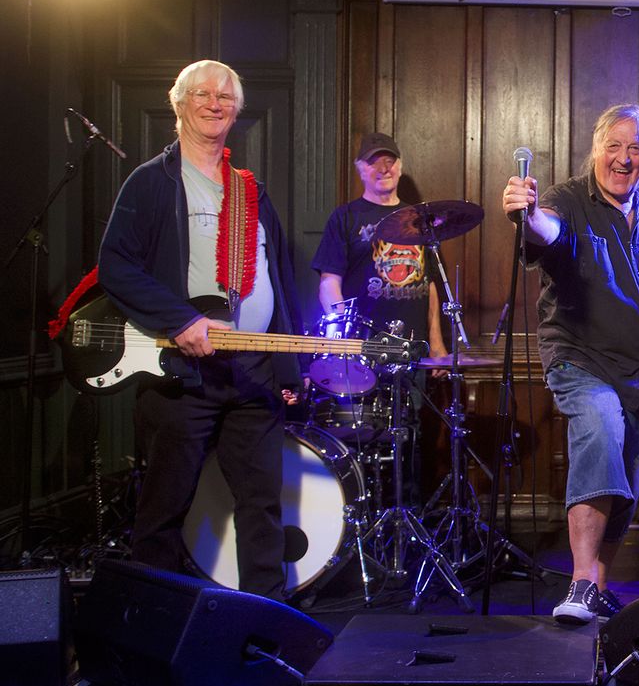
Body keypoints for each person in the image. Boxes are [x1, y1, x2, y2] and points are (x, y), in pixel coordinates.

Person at [501, 104, 639, 624]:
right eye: (614, 146)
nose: (624, 158)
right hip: (582, 359)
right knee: (599, 430)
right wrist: (526, 215)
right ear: (596, 149)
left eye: (636, 148)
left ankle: (596, 586)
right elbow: (545, 230)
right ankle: (579, 583)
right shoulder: (566, 200)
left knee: (626, 485)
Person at [98, 60, 303, 599]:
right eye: (203, 95)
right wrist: (179, 320)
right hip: (182, 372)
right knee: (163, 508)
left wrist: (286, 368)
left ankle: (264, 632)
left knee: (262, 507)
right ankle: (153, 629)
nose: (215, 104)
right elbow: (116, 266)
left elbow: (277, 277)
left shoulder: (250, 189)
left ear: (237, 110)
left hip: (253, 372)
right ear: (180, 104)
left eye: (226, 97)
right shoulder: (150, 182)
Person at [310, 133, 449, 502]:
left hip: (413, 352)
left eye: (390, 160)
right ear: (361, 170)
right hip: (365, 350)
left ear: (400, 167)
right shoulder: (346, 217)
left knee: (413, 437)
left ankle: (409, 522)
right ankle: (365, 521)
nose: (384, 167)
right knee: (364, 440)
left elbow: (431, 284)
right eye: (374, 161)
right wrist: (344, 339)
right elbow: (329, 284)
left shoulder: (419, 220)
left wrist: (437, 343)